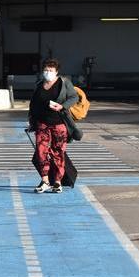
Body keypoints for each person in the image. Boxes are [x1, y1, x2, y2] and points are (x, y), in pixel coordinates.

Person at [27, 58, 80, 193]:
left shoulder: (64, 83)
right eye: (45, 70)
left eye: (51, 70)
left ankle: (57, 182)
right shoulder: (39, 84)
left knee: (58, 151)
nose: (47, 72)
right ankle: (45, 181)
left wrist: (62, 106)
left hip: (59, 123)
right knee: (41, 151)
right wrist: (32, 120)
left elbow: (74, 97)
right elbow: (33, 104)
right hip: (42, 124)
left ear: (57, 72)